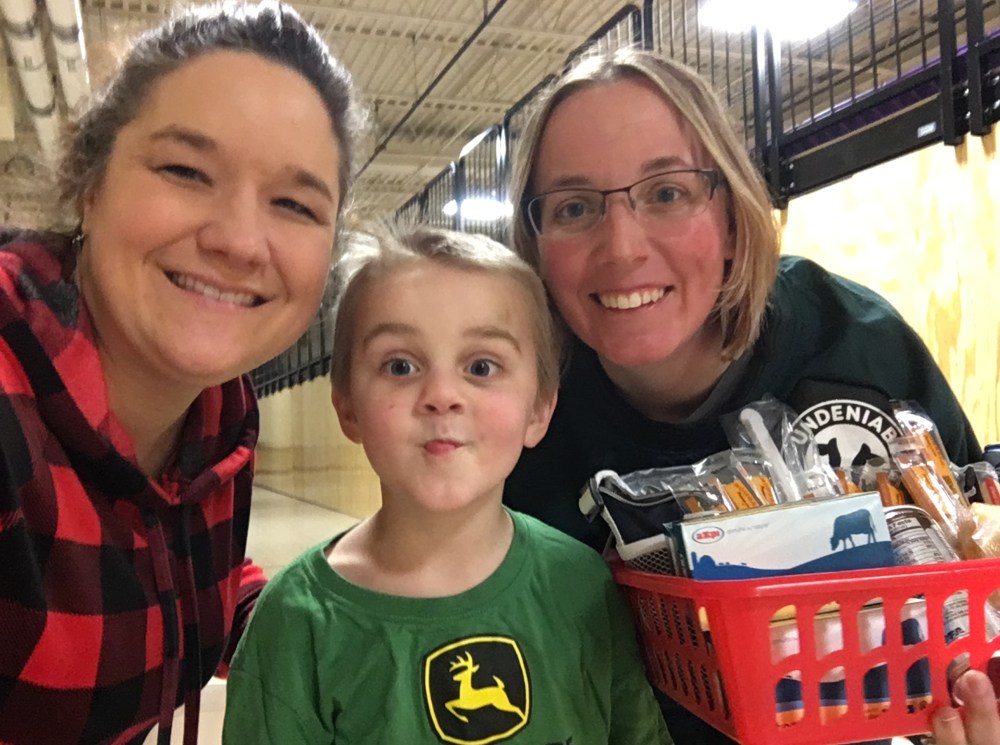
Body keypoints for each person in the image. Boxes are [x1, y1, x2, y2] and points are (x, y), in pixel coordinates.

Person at [502, 47, 994, 744]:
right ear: (535, 247)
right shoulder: (515, 419)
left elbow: (976, 566)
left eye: (666, 193)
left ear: (732, 219)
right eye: (575, 207)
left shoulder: (855, 345)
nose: (622, 248)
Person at [0, 2, 364, 743]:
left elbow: (166, 549)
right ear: (90, 183)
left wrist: (328, 618)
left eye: (294, 204)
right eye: (185, 170)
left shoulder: (219, 416)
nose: (239, 240)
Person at [222, 224, 672, 744]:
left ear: (539, 409)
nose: (441, 394)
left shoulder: (582, 586)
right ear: (347, 406)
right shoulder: (294, 623)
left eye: (481, 366)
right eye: (400, 365)